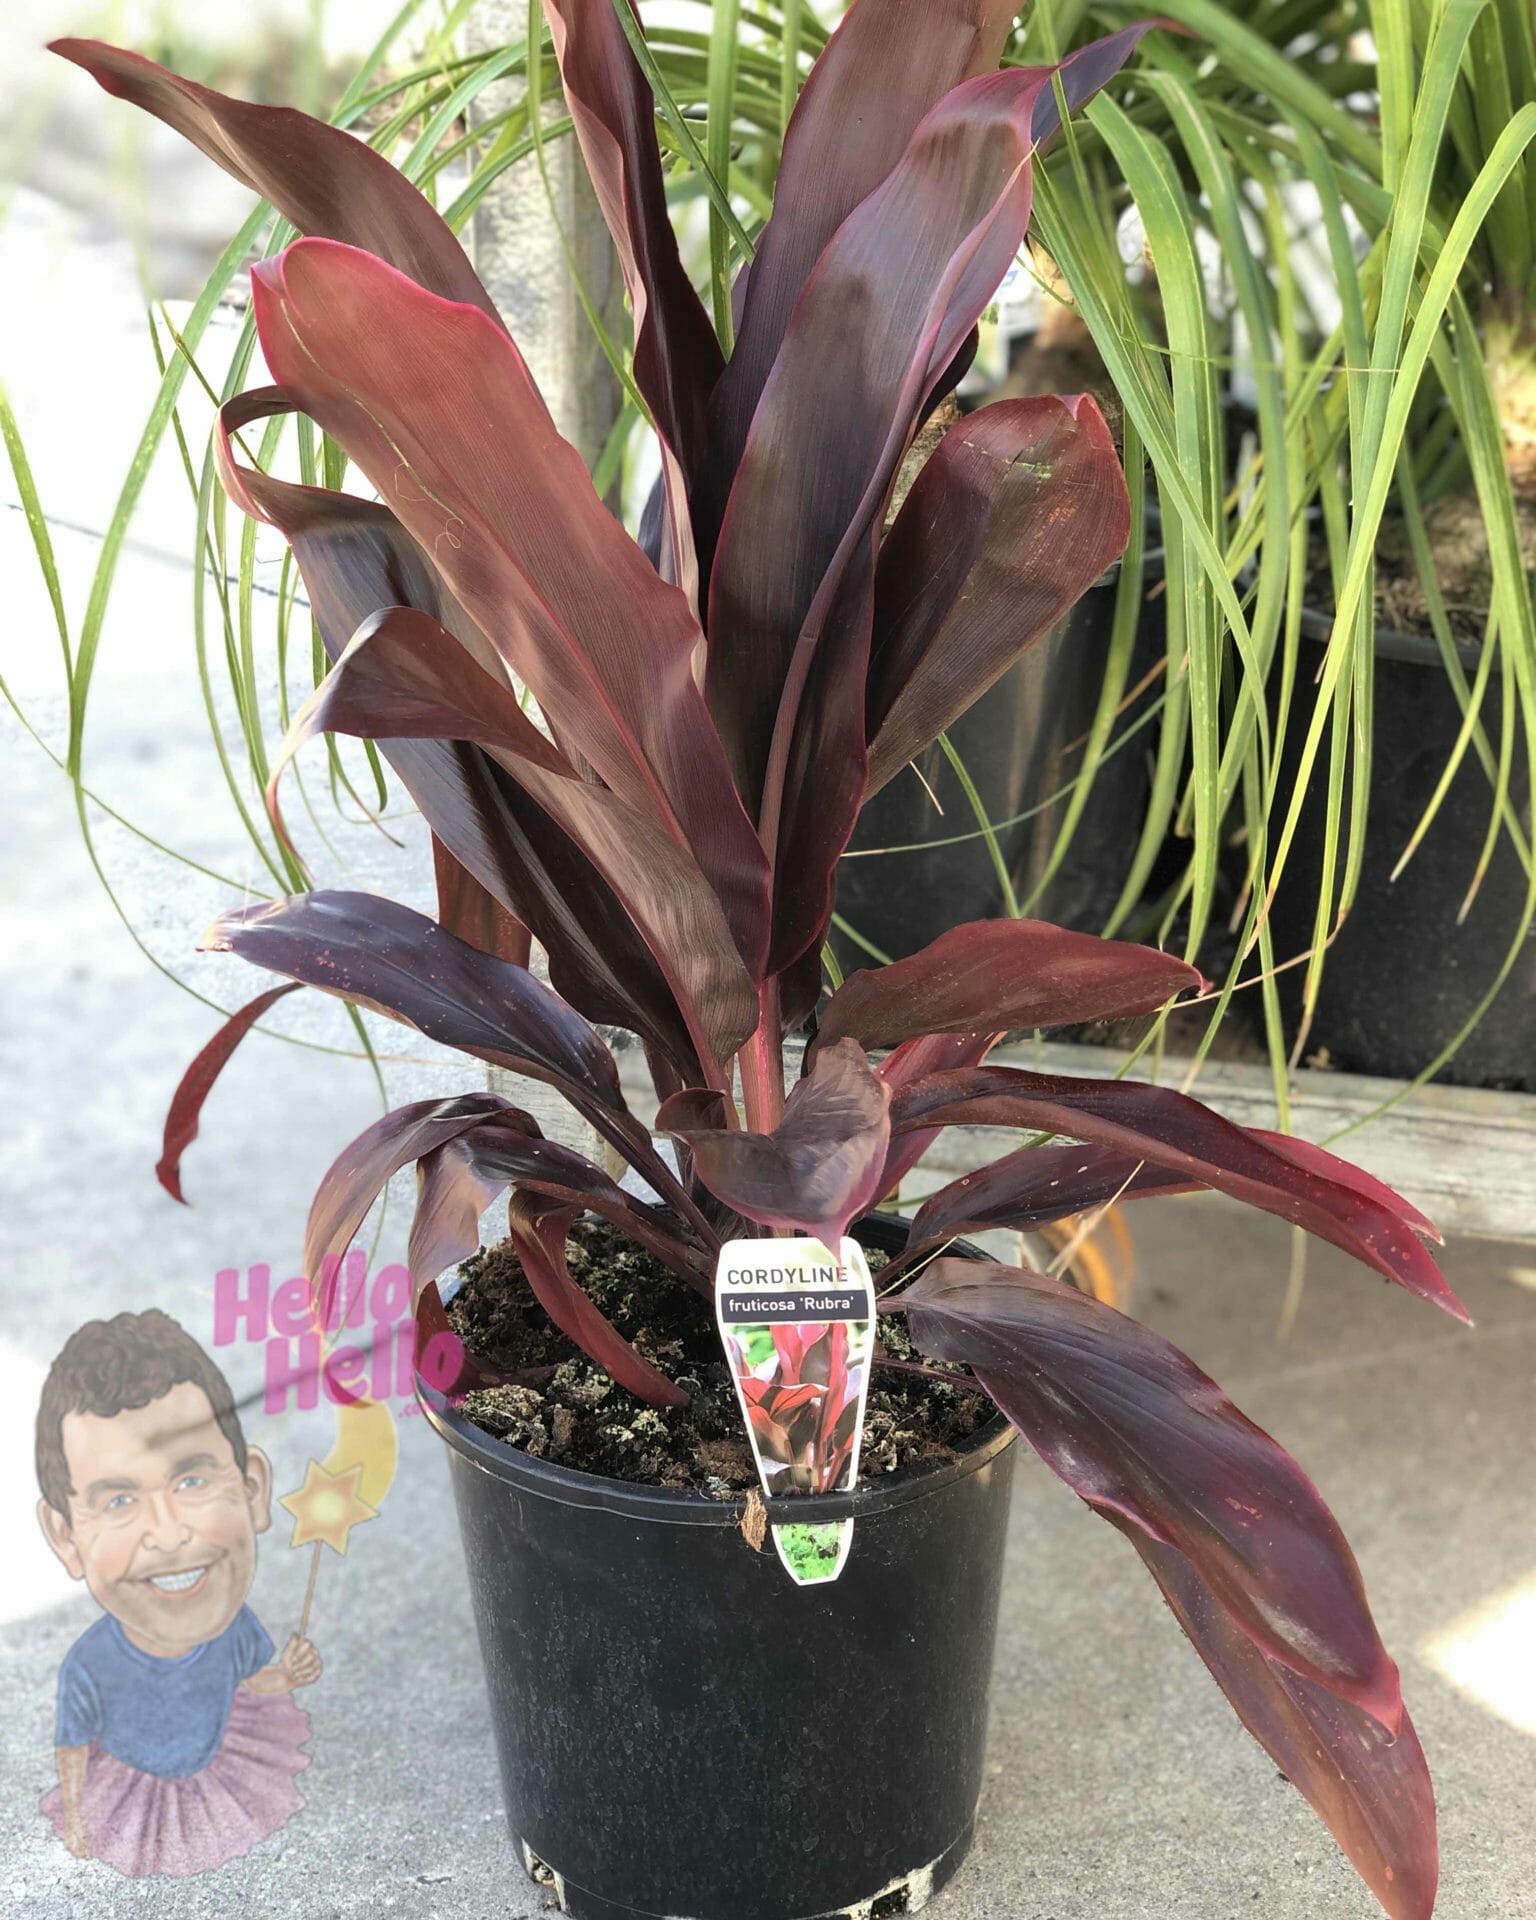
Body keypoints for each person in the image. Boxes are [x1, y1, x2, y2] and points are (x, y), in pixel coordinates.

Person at [34, 1308, 320, 1877]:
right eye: (118, 1500)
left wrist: (283, 1678)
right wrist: (75, 1814)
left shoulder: (237, 1627)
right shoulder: (88, 1665)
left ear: (252, 1490)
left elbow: (243, 1686)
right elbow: (72, 1748)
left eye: (191, 1480)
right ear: (65, 1537)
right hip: (128, 1789)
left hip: (217, 1769)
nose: (168, 1535)